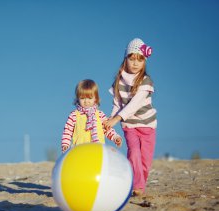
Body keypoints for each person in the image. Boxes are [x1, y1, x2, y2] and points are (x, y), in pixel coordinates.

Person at [104, 38, 156, 197]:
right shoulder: (119, 81)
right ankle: (137, 186)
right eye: (131, 58)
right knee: (133, 153)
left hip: (147, 126)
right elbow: (117, 103)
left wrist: (116, 119)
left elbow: (134, 104)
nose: (135, 63)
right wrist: (110, 119)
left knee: (145, 160)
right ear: (125, 59)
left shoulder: (146, 82)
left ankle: (140, 181)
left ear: (144, 62)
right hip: (129, 126)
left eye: (139, 60)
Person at [61, 79, 122, 152]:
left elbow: (107, 129)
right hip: (79, 150)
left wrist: (115, 137)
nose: (86, 101)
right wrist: (65, 144)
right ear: (78, 98)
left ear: (95, 99)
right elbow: (68, 130)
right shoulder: (74, 115)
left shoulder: (99, 115)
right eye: (82, 98)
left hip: (97, 149)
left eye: (89, 98)